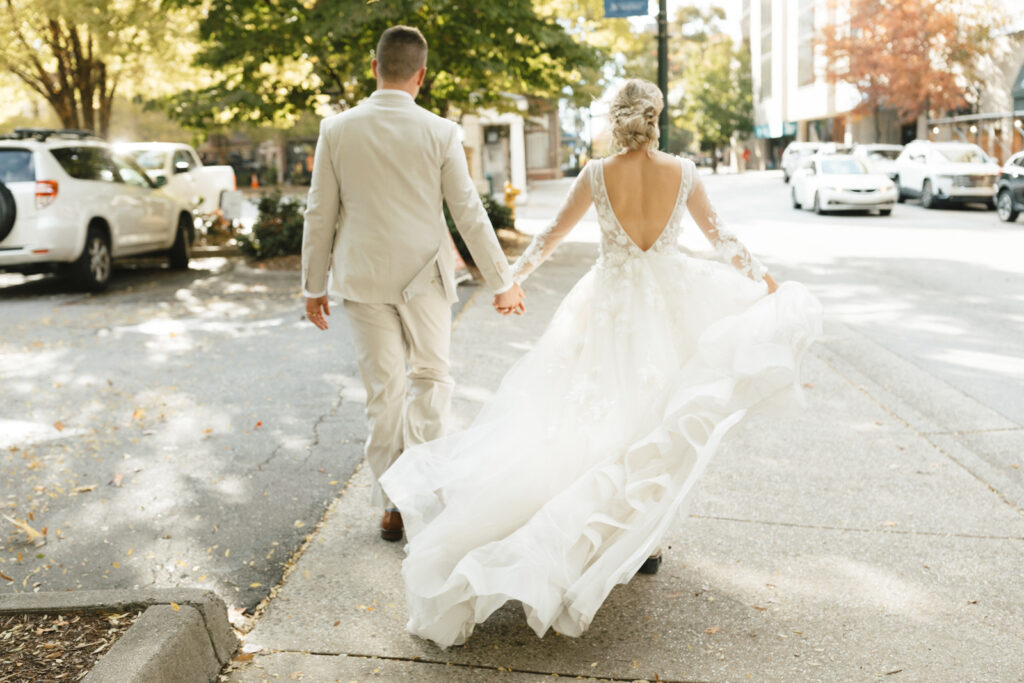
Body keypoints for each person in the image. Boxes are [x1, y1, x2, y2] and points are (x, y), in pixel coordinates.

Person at [379, 79, 823, 648]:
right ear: (656, 116)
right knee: (656, 418)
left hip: (607, 309)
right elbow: (722, 240)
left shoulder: (595, 174)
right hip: (665, 308)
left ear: (616, 118)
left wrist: (511, 280)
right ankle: (641, 543)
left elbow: (552, 236)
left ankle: (615, 539)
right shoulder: (684, 172)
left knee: (592, 418)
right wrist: (766, 282)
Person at [301, 25, 525, 541]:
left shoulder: (336, 129)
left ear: (374, 67)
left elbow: (319, 213)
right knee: (429, 383)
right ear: (421, 76)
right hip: (425, 280)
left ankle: (390, 506)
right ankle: (420, 496)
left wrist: (314, 286)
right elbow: (468, 212)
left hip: (361, 280)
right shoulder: (441, 132)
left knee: (384, 394)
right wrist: (502, 281)